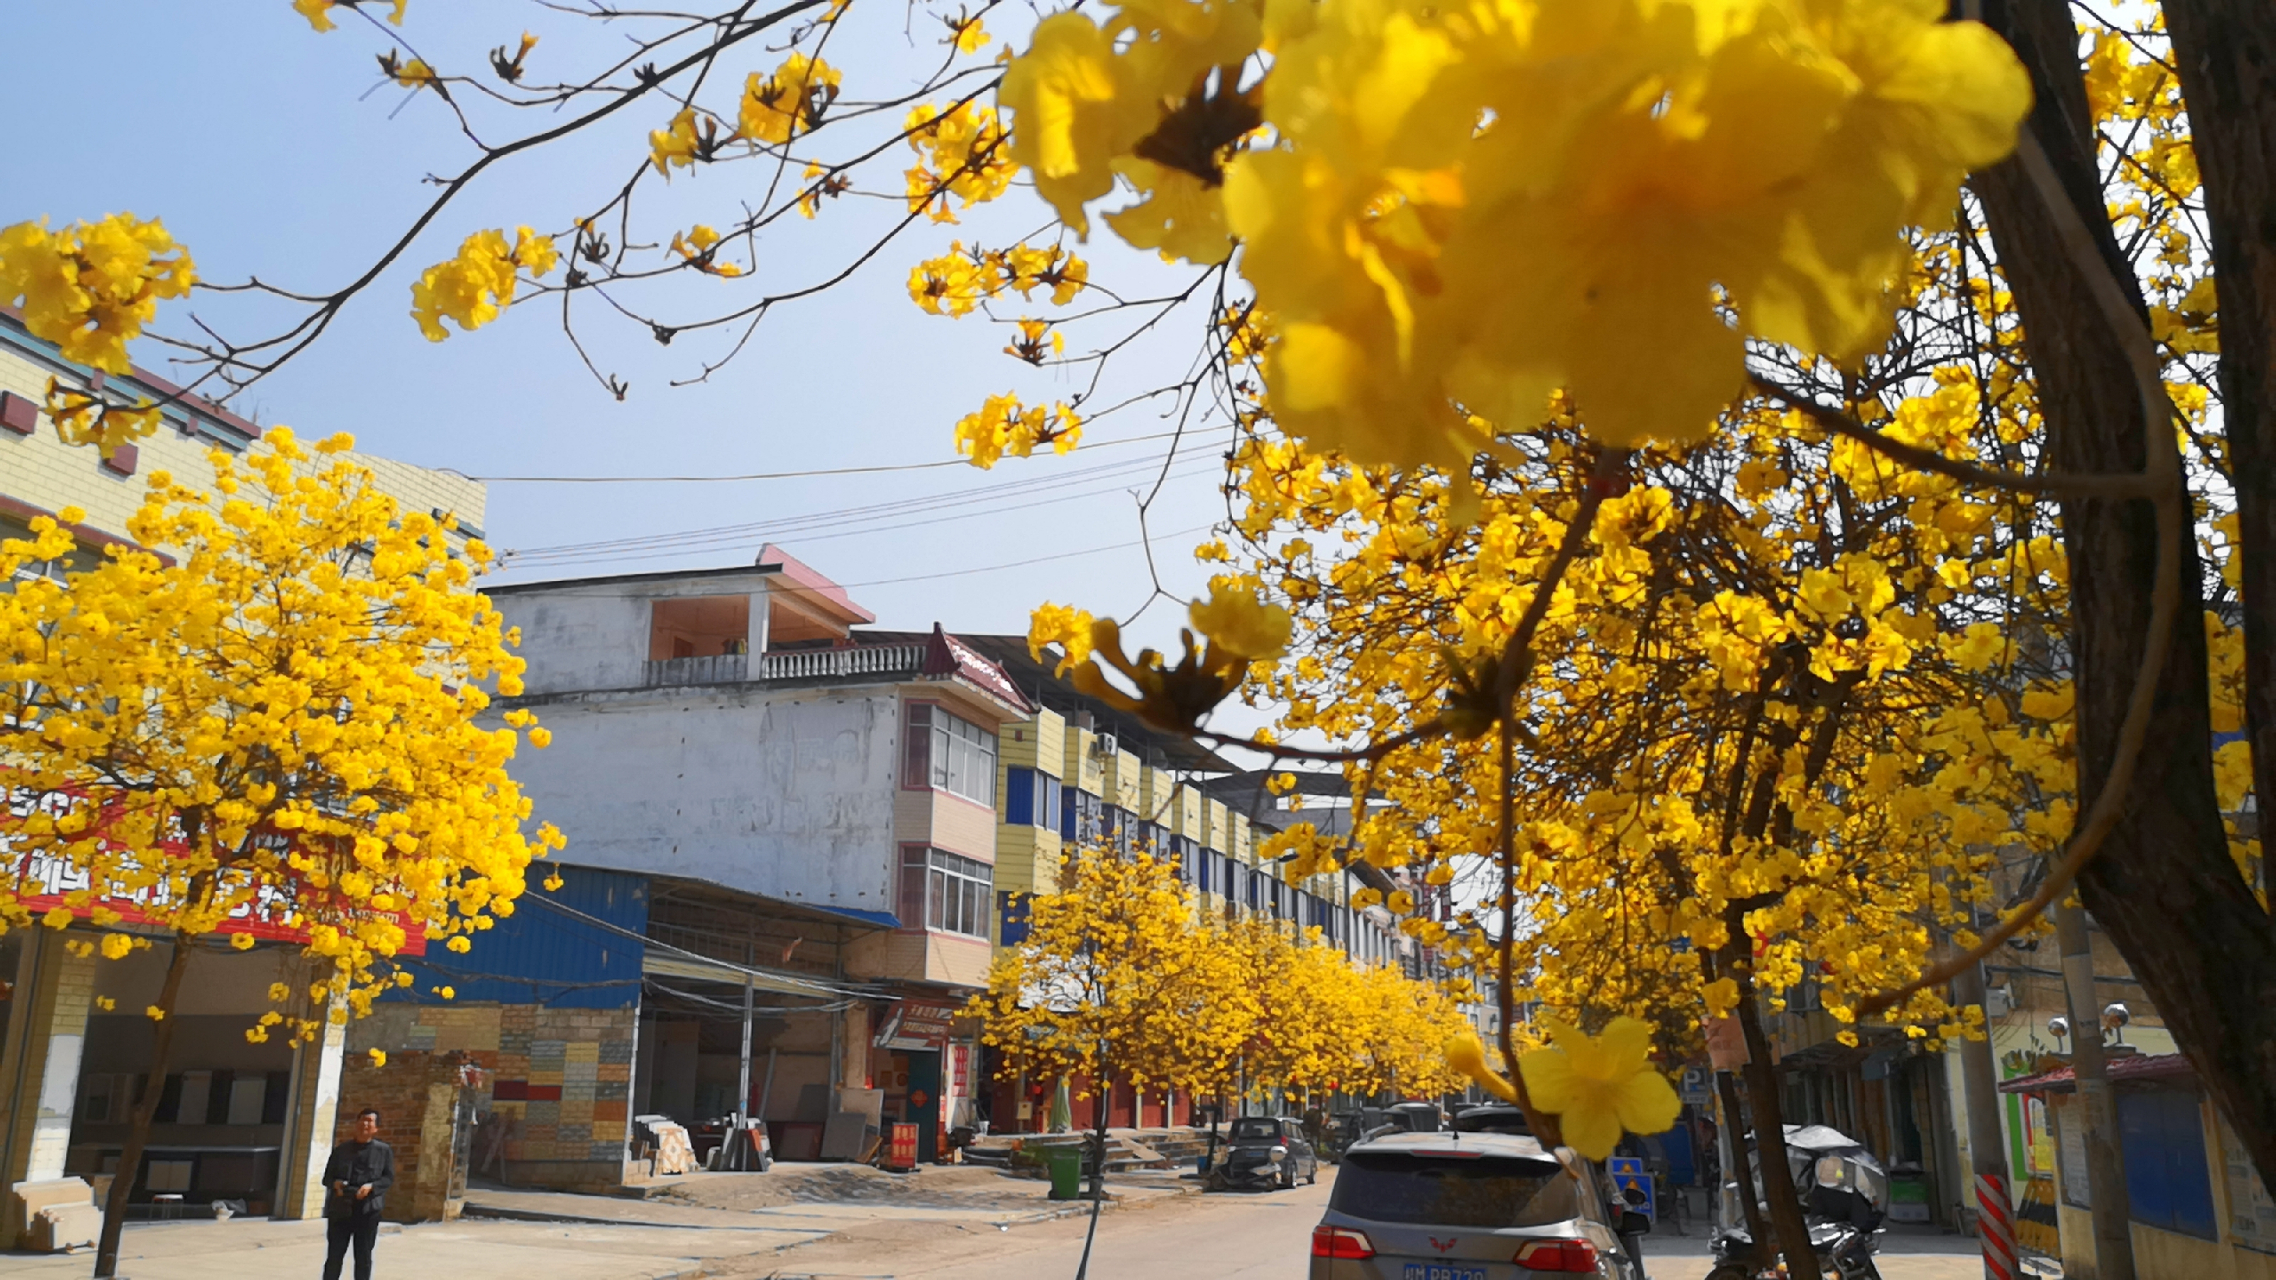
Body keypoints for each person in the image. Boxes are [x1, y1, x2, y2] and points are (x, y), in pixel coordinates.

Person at [321, 1107, 395, 1280]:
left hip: (368, 1210)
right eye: (362, 1120)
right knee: (334, 1257)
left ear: (376, 1128)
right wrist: (336, 1184)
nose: (365, 1125)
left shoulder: (383, 1151)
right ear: (356, 1124)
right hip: (341, 1209)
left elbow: (388, 1178)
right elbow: (327, 1178)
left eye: (370, 1122)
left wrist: (372, 1187)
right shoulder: (342, 1149)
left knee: (363, 1257)